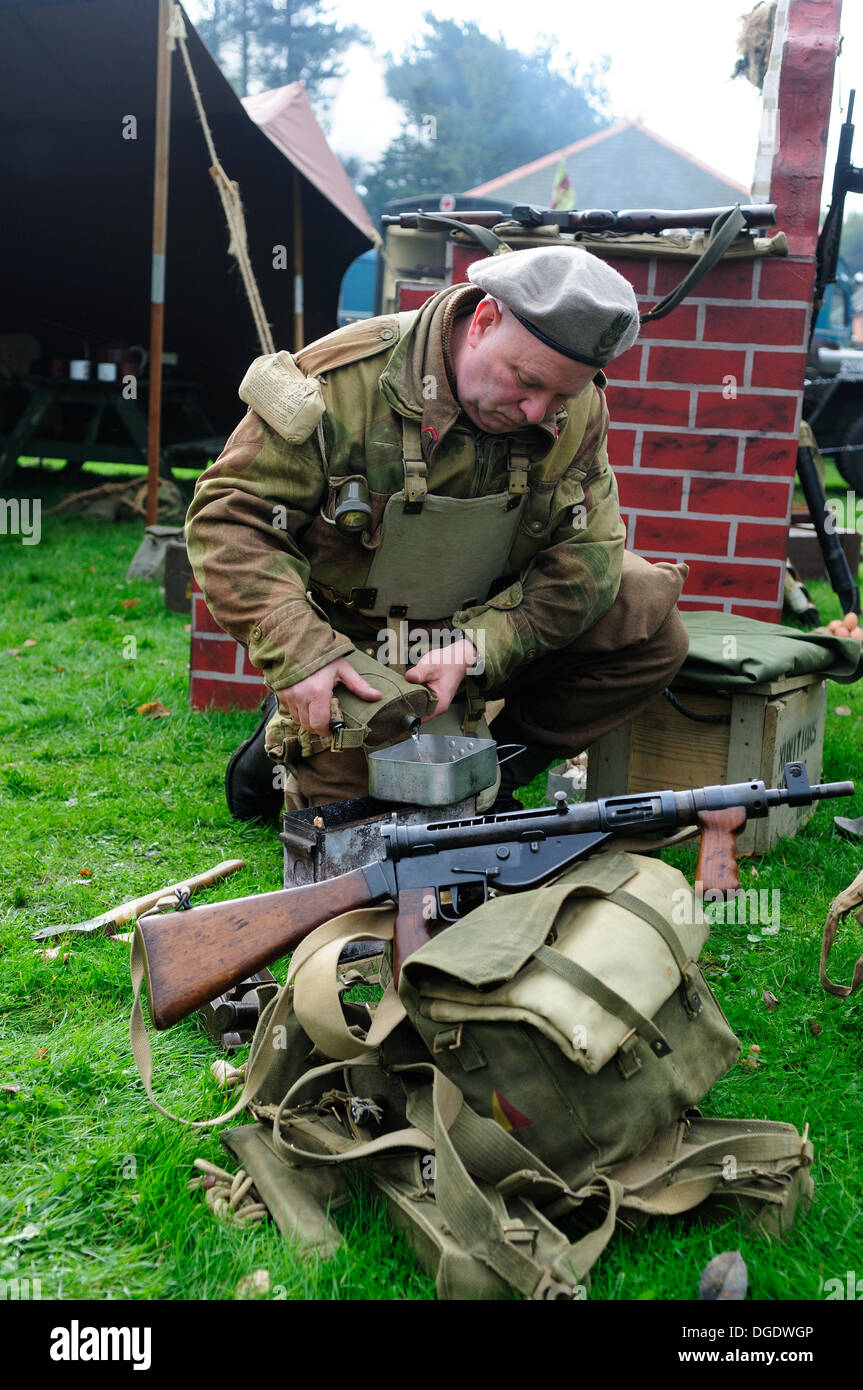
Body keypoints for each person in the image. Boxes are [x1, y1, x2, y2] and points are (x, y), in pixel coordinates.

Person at [186, 245, 689, 816]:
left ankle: (489, 767)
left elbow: (589, 553)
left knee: (649, 617)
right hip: (363, 645)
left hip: (488, 621)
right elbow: (232, 519)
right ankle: (284, 741)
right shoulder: (341, 385)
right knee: (372, 827)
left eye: (560, 396)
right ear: (483, 322)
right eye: (524, 381)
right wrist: (303, 652)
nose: (535, 412)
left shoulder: (575, 408)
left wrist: (479, 646)